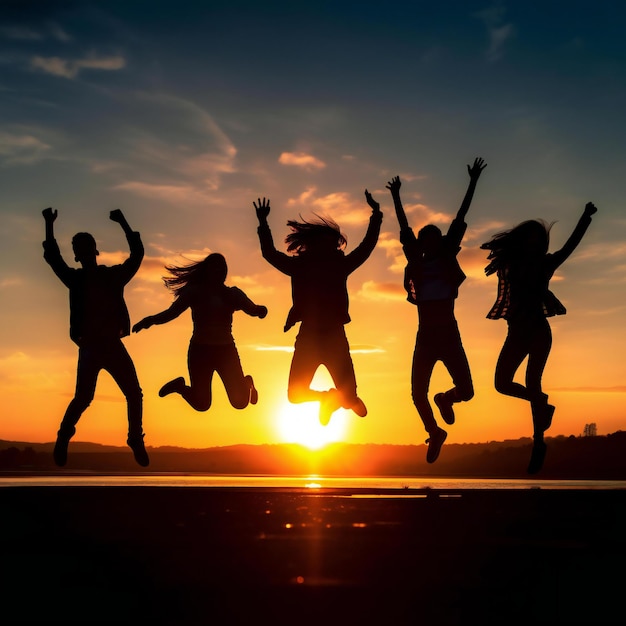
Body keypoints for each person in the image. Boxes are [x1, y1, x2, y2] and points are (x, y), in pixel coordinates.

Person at [481, 202, 598, 473]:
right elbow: (496, 256)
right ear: (522, 241)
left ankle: (538, 444)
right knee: (502, 383)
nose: (533, 243)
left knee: (532, 382)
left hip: (538, 330)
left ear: (541, 244)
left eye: (538, 239)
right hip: (515, 332)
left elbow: (570, 246)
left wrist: (585, 218)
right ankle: (542, 403)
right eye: (529, 238)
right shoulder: (509, 263)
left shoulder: (546, 264)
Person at [386, 157, 487, 463]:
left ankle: (445, 398)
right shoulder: (416, 261)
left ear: (440, 242)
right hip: (425, 335)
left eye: (434, 238)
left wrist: (473, 181)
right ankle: (435, 432)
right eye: (425, 240)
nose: (430, 243)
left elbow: (461, 216)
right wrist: (395, 195)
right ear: (421, 244)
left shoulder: (445, 256)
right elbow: (403, 228)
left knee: (467, 391)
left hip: (449, 332)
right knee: (417, 394)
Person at [254, 192, 382, 425]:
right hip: (309, 337)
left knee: (351, 397)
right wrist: (263, 224)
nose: (333, 245)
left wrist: (376, 215)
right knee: (295, 395)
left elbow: (367, 247)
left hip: (334, 337)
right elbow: (269, 254)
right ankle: (331, 398)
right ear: (315, 244)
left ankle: (342, 398)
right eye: (329, 242)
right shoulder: (301, 266)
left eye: (334, 243)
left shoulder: (338, 265)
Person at [42, 207, 148, 467]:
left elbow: (137, 255)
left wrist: (123, 221)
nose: (84, 251)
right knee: (84, 398)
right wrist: (49, 225)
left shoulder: (111, 276)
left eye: (87, 246)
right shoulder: (75, 279)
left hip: (112, 345)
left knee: (134, 393)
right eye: (79, 248)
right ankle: (64, 435)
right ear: (78, 255)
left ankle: (135, 438)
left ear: (95, 250)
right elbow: (53, 258)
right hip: (90, 346)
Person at [132, 253, 267, 412]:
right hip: (200, 351)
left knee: (240, 403)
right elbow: (171, 313)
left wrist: (259, 310)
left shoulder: (232, 294)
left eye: (223, 268)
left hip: (226, 351)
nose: (220, 271)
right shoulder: (194, 292)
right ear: (207, 271)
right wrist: (150, 320)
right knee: (202, 404)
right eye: (216, 267)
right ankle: (180, 387)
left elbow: (251, 308)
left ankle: (246, 382)